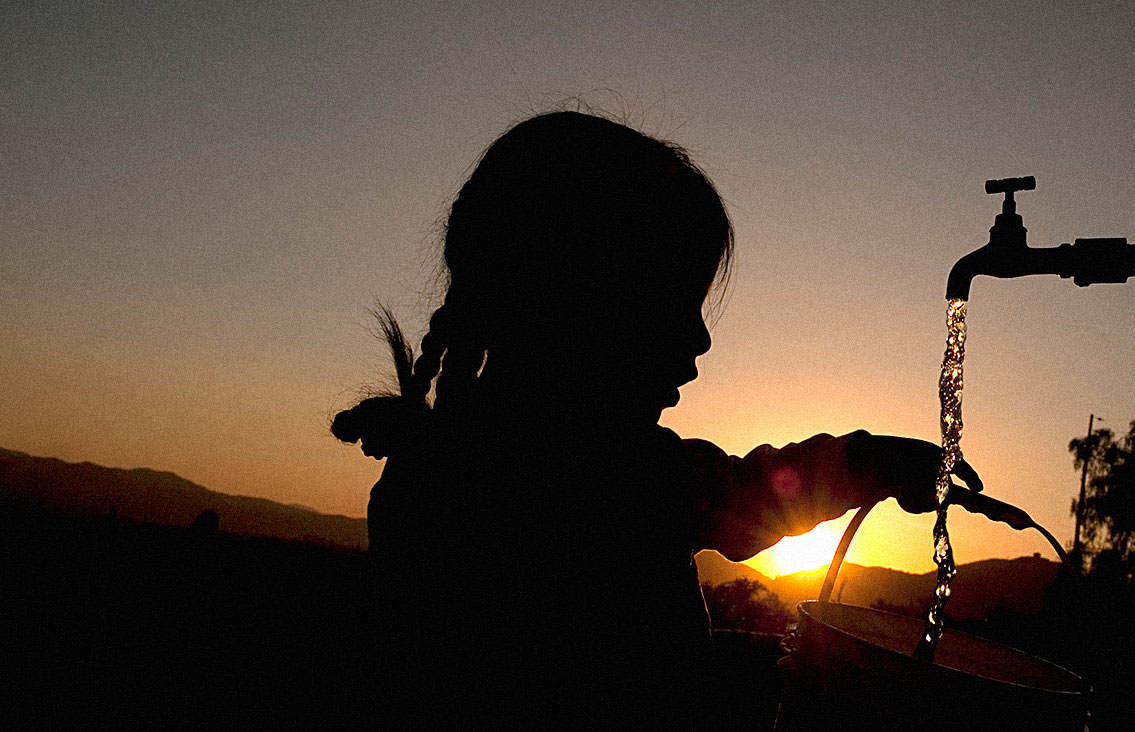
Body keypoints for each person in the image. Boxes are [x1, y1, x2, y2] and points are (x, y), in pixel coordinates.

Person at [332, 111, 979, 730]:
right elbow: (755, 496)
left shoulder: (439, 463)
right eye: (673, 302)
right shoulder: (620, 474)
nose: (700, 339)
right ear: (574, 298)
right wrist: (878, 463)